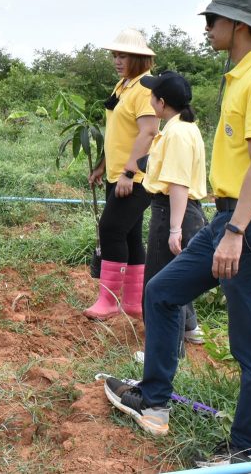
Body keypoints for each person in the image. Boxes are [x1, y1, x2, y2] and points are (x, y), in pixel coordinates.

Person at [106, 0, 251, 469]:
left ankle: (247, 447)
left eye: (213, 20)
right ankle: (153, 401)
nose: (207, 28)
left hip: (250, 224)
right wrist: (227, 225)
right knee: (163, 291)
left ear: (239, 24)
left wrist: (235, 234)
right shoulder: (241, 72)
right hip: (228, 216)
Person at [84, 28, 158, 320]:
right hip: (118, 173)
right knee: (128, 235)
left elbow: (149, 132)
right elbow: (118, 131)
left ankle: (109, 300)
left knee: (111, 229)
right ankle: (131, 302)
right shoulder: (123, 86)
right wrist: (104, 165)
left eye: (123, 55)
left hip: (135, 177)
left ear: (139, 57)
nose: (117, 60)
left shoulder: (146, 89)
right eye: (115, 55)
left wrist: (129, 172)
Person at [139, 71, 207, 351]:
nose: (150, 98)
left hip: (173, 211)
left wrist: (174, 229)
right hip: (185, 211)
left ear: (162, 102)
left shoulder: (177, 133)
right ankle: (189, 328)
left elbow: (178, 183)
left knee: (160, 283)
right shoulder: (185, 127)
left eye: (153, 94)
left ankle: (165, 351)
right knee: (178, 276)